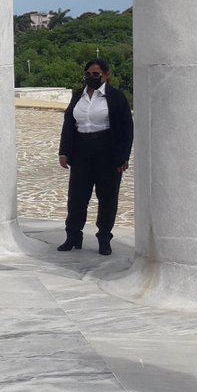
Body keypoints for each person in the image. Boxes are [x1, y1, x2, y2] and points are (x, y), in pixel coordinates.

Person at [58, 59, 134, 255]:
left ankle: (104, 237)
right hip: (82, 150)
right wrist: (64, 151)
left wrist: (123, 157)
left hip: (107, 151)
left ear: (106, 75)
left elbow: (127, 128)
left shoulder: (116, 97)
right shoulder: (78, 96)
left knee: (107, 197)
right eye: (89, 74)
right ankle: (73, 236)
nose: (92, 77)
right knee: (77, 196)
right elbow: (69, 124)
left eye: (96, 74)